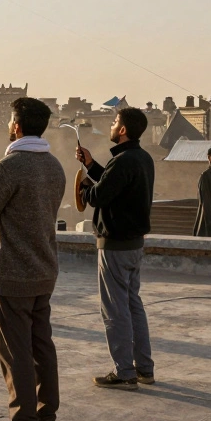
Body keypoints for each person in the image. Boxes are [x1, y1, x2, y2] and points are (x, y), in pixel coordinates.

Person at [0, 97, 66, 421]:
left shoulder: (10, 165)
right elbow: (27, 204)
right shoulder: (54, 166)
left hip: (12, 274)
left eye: (10, 121)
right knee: (42, 348)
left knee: (16, 353)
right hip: (44, 271)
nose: (8, 126)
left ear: (18, 127)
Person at [75, 106, 155, 391]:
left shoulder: (122, 161)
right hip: (134, 246)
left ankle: (124, 372)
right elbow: (114, 185)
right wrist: (93, 164)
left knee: (115, 310)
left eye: (114, 122)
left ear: (122, 130)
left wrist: (84, 187)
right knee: (133, 306)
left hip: (115, 247)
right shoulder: (141, 158)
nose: (111, 125)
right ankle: (144, 368)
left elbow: (99, 195)